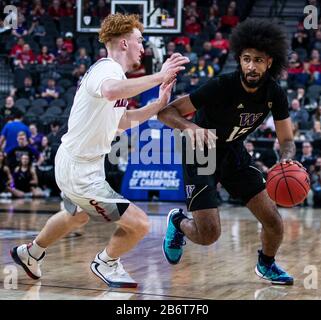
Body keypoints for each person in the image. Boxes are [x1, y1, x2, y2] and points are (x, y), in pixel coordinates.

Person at [10, 13, 189, 288]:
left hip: (81, 163)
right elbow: (110, 91)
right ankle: (105, 261)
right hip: (80, 169)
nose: (144, 47)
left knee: (77, 216)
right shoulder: (107, 71)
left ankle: (30, 253)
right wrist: (159, 76)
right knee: (140, 224)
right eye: (140, 41)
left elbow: (122, 123)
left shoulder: (115, 76)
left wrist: (157, 104)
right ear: (125, 42)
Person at [158, 18, 300, 285]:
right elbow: (166, 112)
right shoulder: (222, 86)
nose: (251, 65)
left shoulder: (274, 93)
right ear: (239, 59)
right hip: (201, 152)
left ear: (269, 62)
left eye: (258, 60)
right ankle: (178, 222)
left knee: (273, 221)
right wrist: (190, 126)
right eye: (246, 59)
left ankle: (266, 265)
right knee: (209, 234)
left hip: (233, 151)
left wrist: (287, 158)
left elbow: (287, 139)